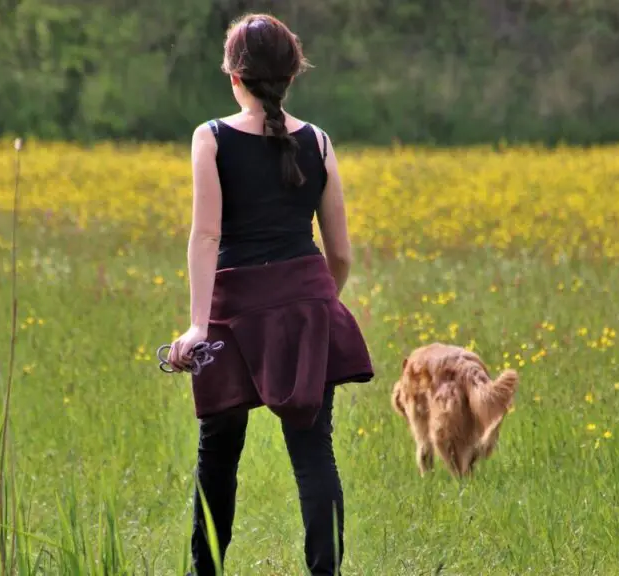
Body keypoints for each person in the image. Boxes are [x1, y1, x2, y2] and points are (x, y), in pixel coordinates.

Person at [164, 12, 375, 576]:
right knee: (313, 453)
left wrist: (197, 326)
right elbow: (343, 253)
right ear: (291, 76)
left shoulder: (209, 138)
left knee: (219, 453)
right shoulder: (321, 142)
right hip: (307, 303)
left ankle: (203, 572)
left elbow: (207, 234)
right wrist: (318, 301)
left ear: (233, 75)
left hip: (233, 312)